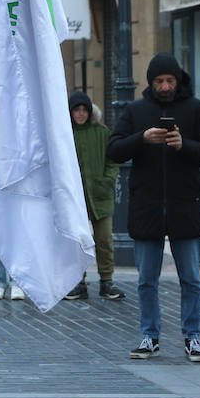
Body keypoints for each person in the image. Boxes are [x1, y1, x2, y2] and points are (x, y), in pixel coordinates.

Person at [108, 53, 200, 363]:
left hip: (185, 207)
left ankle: (193, 337)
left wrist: (185, 145)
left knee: (191, 278)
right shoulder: (136, 110)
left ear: (178, 80)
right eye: (159, 81)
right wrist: (142, 139)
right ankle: (150, 336)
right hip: (147, 207)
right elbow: (114, 150)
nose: (165, 86)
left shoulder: (196, 109)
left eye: (170, 80)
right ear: (151, 82)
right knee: (146, 279)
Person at [65, 91, 123, 301]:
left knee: (104, 240)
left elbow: (113, 160)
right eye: (76, 110)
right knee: (78, 242)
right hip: (75, 198)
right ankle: (78, 282)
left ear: (89, 112)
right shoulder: (64, 134)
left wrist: (107, 181)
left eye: (84, 110)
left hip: (100, 196)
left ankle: (106, 281)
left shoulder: (102, 132)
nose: (80, 114)